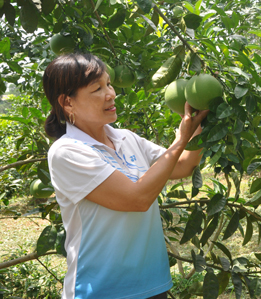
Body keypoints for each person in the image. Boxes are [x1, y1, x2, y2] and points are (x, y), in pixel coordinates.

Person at [43, 53, 209, 299]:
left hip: (153, 283)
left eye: (109, 83)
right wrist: (182, 138)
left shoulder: (126, 138)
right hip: (103, 289)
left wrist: (200, 123)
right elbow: (137, 200)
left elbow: (182, 166)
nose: (111, 93)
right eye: (97, 88)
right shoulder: (67, 152)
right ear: (67, 102)